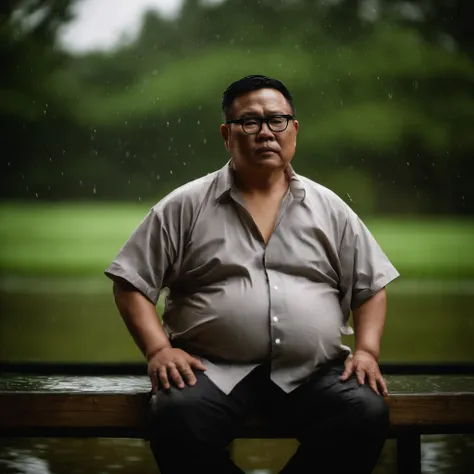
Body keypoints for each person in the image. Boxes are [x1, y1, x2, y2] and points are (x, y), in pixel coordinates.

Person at [105, 74, 400, 474]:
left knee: (364, 410)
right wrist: (159, 350)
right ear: (227, 133)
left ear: (294, 129)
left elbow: (370, 286)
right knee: (176, 414)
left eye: (277, 120)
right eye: (250, 122)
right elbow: (131, 282)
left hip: (313, 373)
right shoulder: (185, 205)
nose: (265, 132)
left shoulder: (329, 208)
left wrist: (366, 352)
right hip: (211, 372)